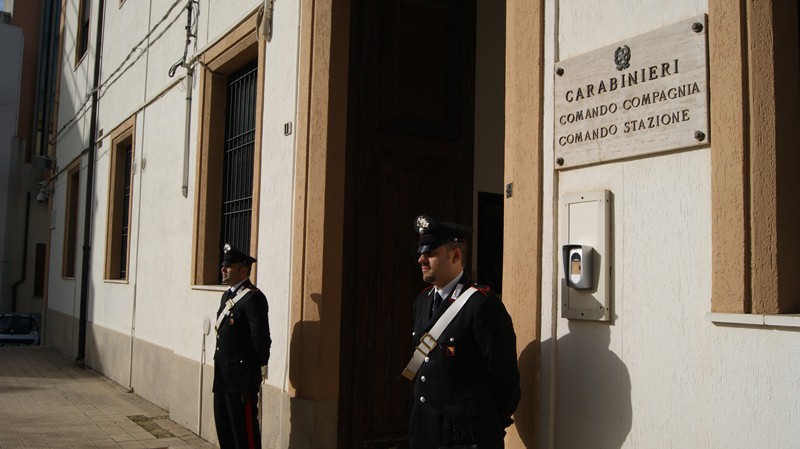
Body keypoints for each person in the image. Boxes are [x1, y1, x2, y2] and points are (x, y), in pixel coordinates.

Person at [406, 215, 521, 449]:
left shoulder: (481, 304)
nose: (421, 259)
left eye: (430, 253)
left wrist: (487, 423)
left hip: (463, 436)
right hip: (425, 432)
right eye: (421, 252)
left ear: (456, 255)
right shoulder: (422, 301)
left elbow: (504, 376)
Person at [213, 243, 271, 449]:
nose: (223, 269)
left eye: (228, 266)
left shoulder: (253, 298)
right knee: (225, 430)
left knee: (243, 434)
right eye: (223, 265)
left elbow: (261, 340)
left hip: (241, 381)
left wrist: (251, 375)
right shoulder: (227, 296)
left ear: (243, 270)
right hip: (223, 377)